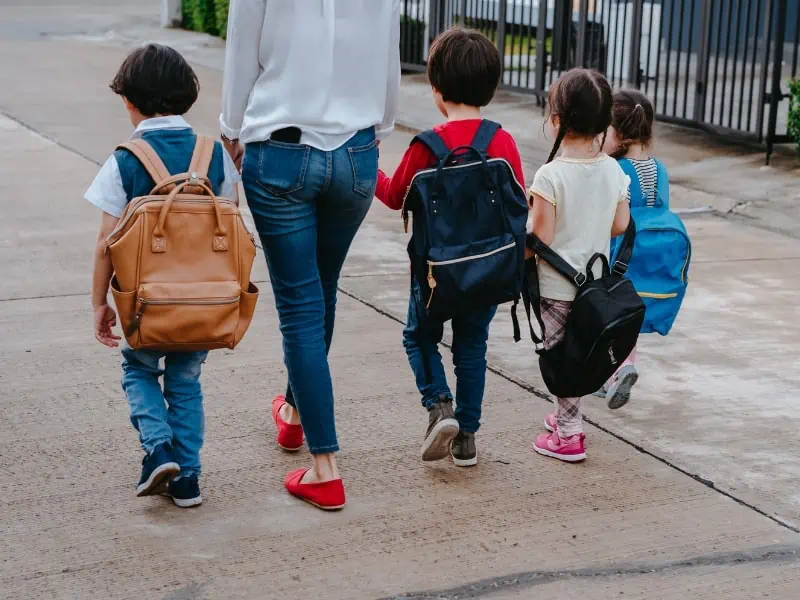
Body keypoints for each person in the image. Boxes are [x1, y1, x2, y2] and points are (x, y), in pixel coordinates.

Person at [220, 1, 401, 510]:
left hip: (281, 151)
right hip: (357, 152)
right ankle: (294, 416)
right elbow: (390, 59)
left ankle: (325, 467)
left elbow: (241, 51)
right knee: (322, 289)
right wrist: (377, 130)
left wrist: (232, 128)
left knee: (301, 306)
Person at [86, 44, 241, 507]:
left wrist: (100, 303)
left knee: (138, 370)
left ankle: (157, 449)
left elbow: (104, 245)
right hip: (203, 302)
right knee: (186, 380)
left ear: (129, 101)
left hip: (146, 301)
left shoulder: (124, 160)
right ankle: (188, 478)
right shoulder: (214, 156)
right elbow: (231, 222)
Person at [377, 28, 525, 468]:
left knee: (418, 336)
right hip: (487, 271)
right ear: (491, 87)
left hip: (435, 274)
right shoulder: (502, 142)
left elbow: (394, 196)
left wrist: (370, 170)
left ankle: (439, 406)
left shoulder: (427, 147)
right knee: (472, 347)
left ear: (437, 90)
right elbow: (519, 200)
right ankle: (467, 439)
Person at [529, 69, 631, 462]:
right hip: (597, 287)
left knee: (562, 357)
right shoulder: (613, 170)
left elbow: (542, 236)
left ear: (556, 120)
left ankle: (570, 435)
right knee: (580, 352)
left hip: (557, 287)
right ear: (605, 123)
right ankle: (564, 415)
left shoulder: (550, 175)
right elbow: (621, 224)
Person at [595, 90, 657, 408]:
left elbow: (611, 219)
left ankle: (618, 371)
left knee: (611, 317)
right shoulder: (659, 169)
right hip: (649, 257)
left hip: (620, 257)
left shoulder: (619, 171)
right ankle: (619, 371)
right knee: (628, 319)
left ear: (617, 134)